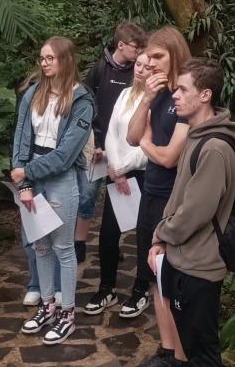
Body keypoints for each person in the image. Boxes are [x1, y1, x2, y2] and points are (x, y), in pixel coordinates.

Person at [147, 58, 235, 367]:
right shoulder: (197, 138)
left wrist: (163, 233)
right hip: (182, 259)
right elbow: (179, 199)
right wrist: (161, 238)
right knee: (192, 343)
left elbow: (196, 212)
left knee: (203, 351)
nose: (175, 94)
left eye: (183, 89)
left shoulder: (216, 148)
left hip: (201, 266)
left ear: (205, 95)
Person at [11, 36, 94, 345]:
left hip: (61, 180)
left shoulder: (82, 101)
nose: (44, 63)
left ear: (66, 60)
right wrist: (24, 184)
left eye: (50, 58)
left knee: (63, 248)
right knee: (40, 247)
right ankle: (47, 307)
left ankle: (67, 315)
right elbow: (20, 139)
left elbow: (65, 156)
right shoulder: (32, 93)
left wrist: (27, 172)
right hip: (32, 179)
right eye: (42, 58)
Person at [125, 26, 192, 367]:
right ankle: (167, 351)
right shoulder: (158, 94)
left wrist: (148, 142)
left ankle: (183, 361)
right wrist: (147, 99)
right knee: (153, 276)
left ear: (175, 55)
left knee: (171, 279)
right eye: (147, 56)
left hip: (173, 199)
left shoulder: (184, 97)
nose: (149, 63)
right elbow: (132, 136)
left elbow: (168, 157)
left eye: (157, 56)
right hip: (149, 194)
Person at [83, 51, 150, 314]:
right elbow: (111, 132)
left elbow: (148, 145)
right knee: (108, 233)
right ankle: (106, 288)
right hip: (117, 173)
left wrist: (121, 168)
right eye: (138, 64)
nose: (140, 70)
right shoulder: (125, 94)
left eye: (146, 66)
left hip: (142, 173)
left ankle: (141, 290)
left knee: (144, 234)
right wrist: (114, 168)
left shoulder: (156, 100)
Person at [74, 22, 147, 264]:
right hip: (97, 143)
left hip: (125, 149)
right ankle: (79, 243)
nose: (139, 53)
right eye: (136, 47)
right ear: (121, 45)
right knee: (88, 193)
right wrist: (93, 139)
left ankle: (113, 246)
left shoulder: (136, 72)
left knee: (121, 196)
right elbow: (85, 103)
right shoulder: (99, 69)